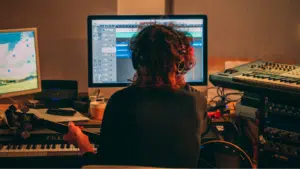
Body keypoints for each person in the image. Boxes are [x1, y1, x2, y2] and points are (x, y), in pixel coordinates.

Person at [64, 24, 207, 168]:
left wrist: (82, 142)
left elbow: (103, 165)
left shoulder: (119, 102)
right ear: (181, 63)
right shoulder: (197, 102)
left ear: (137, 61)